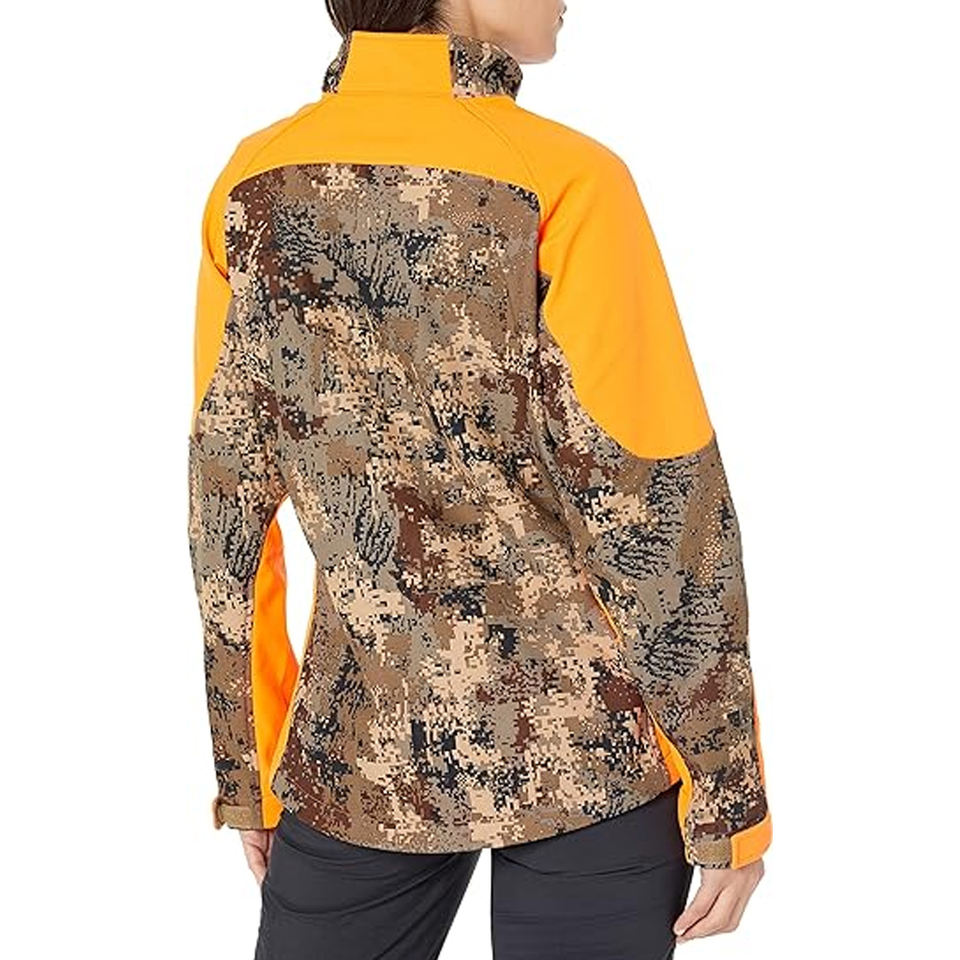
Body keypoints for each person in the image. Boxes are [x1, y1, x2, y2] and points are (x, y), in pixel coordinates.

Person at [186, 1, 772, 956]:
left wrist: (247, 768)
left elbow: (227, 515)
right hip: (593, 755)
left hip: (356, 749)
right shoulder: (565, 178)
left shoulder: (250, 185)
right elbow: (660, 514)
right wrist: (730, 792)